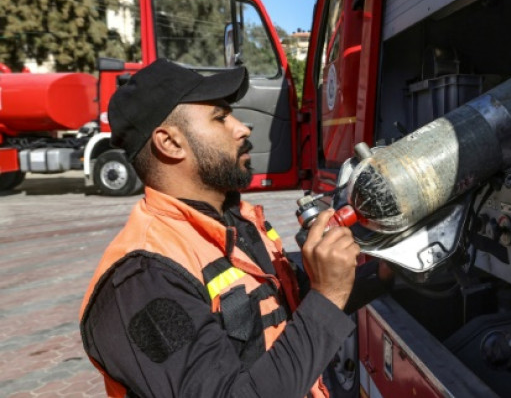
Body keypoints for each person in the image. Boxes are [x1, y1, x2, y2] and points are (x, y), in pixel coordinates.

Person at [79, 59, 390, 397]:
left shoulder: (234, 221)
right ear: (170, 143)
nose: (242, 128)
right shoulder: (141, 282)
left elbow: (285, 304)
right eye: (220, 117)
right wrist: (327, 297)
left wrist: (382, 274)